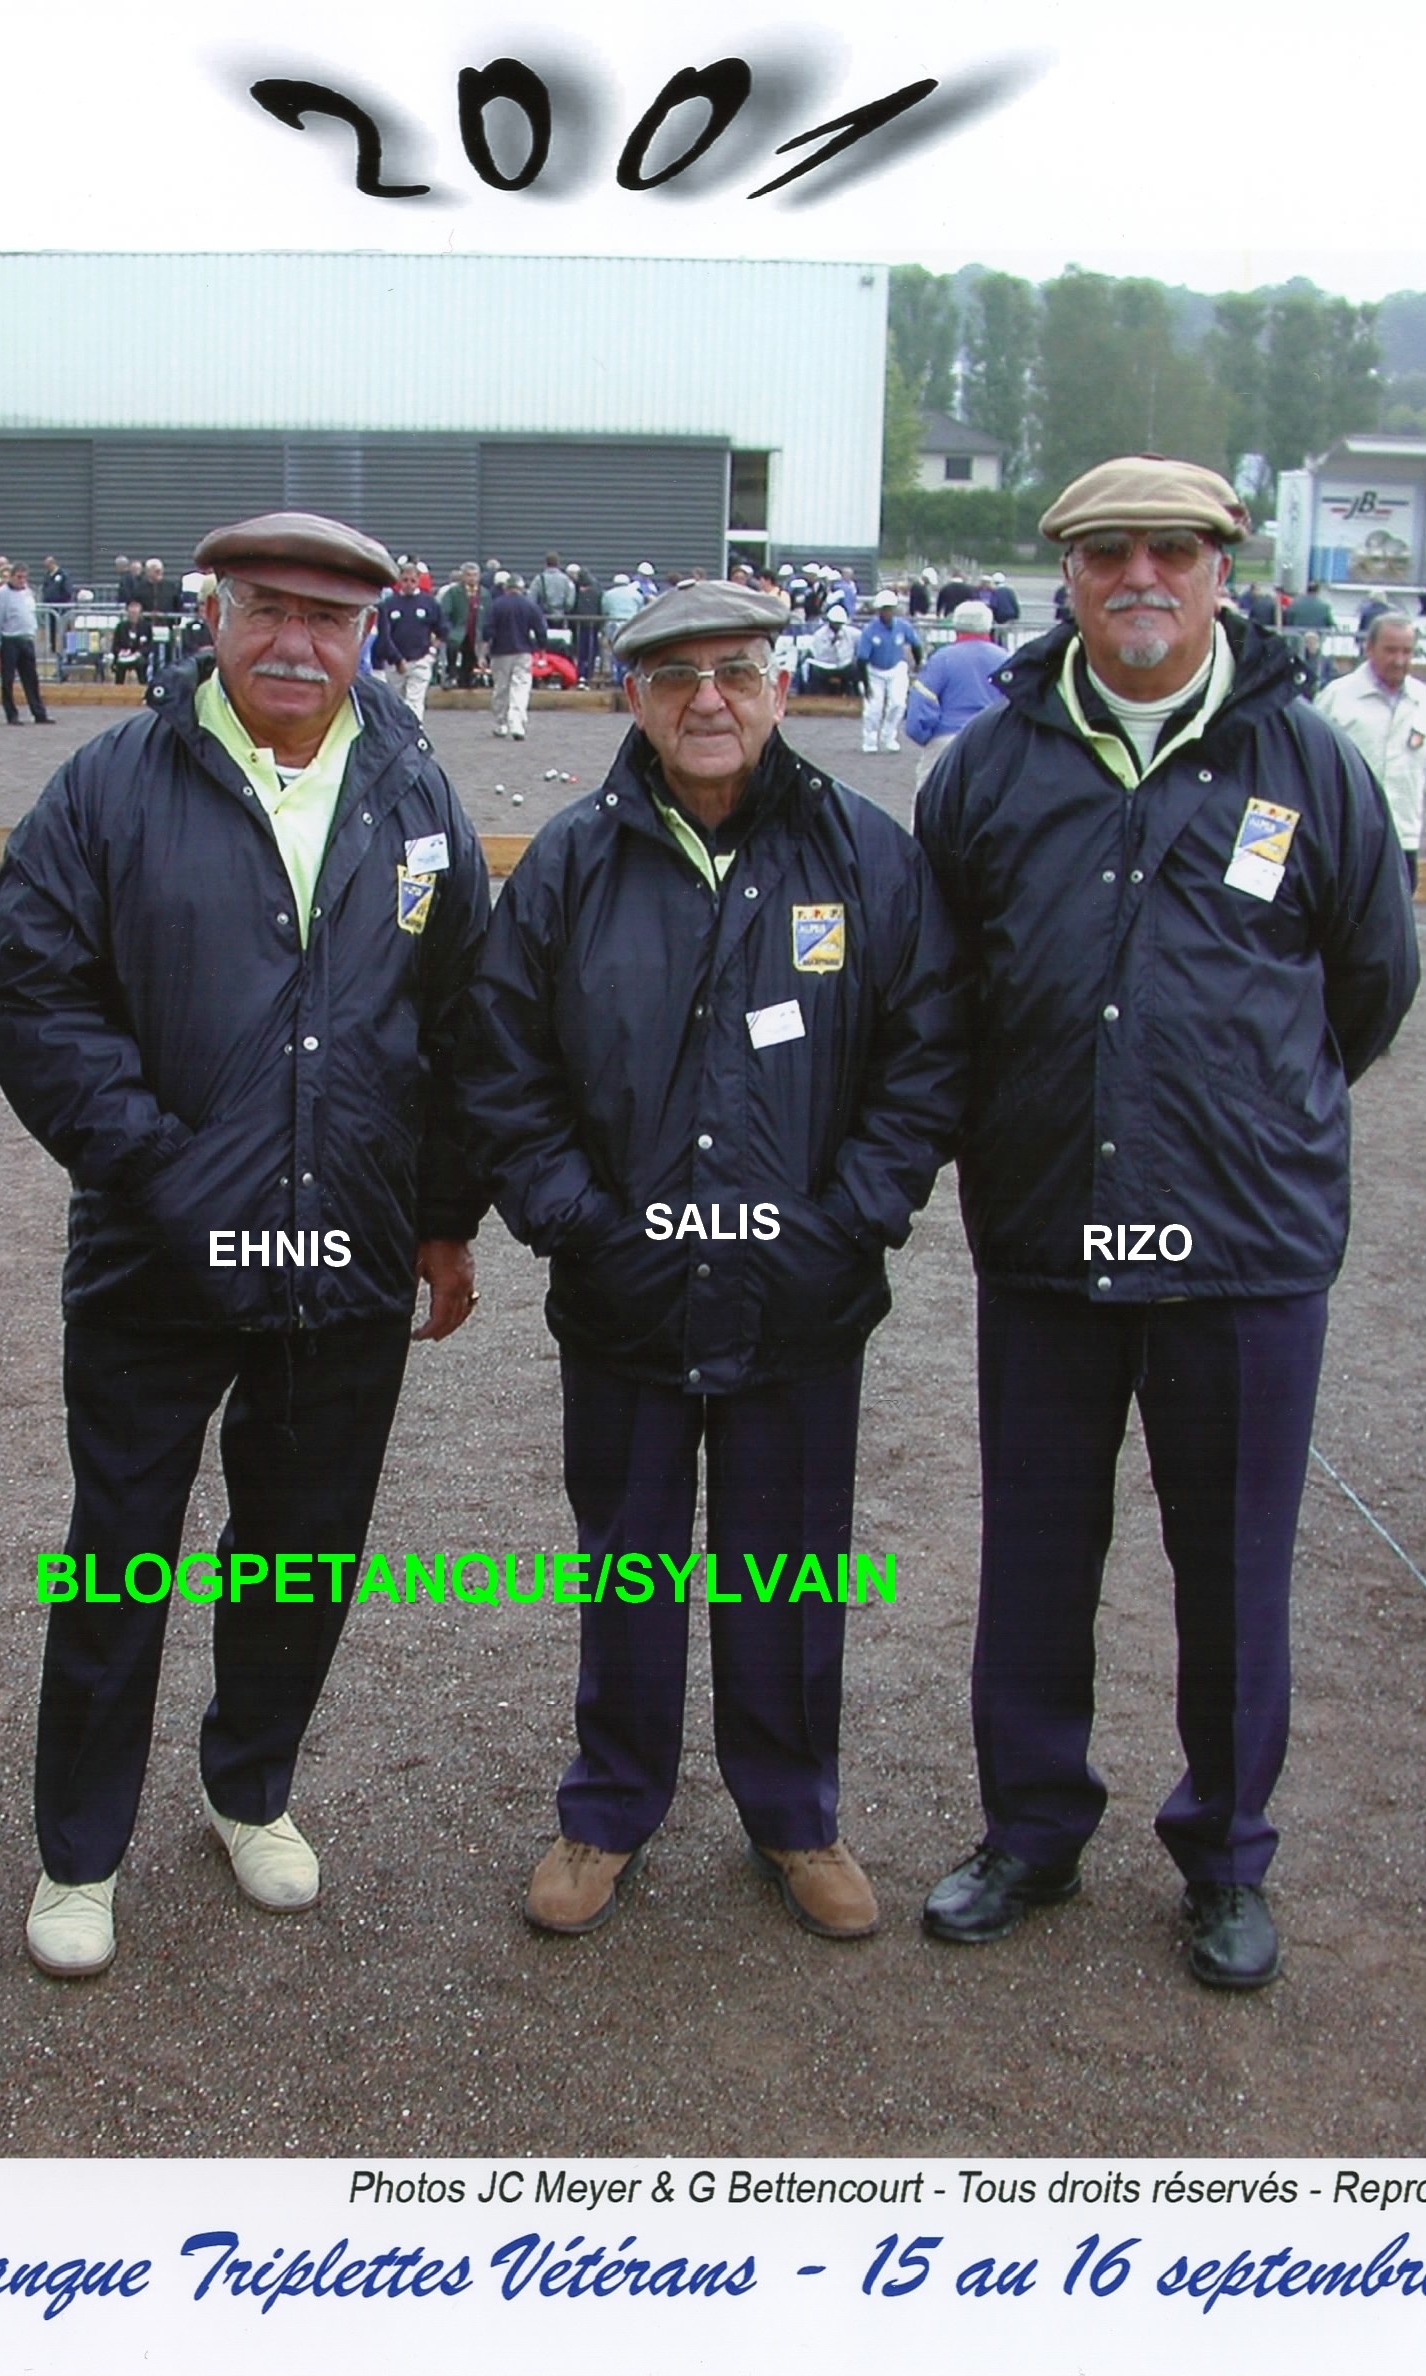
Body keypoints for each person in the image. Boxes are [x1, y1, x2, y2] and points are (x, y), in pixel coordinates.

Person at [911, 455, 1417, 1992]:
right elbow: (942, 997)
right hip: (1054, 1240)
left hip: (1243, 1249)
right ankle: (1034, 1829)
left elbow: (1368, 986)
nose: (1141, 576)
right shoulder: (991, 769)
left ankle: (1225, 1854)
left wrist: (1241, 1112)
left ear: (1222, 571)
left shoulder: (1311, 764)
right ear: (1066, 574)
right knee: (1037, 1555)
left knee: (1236, 1569)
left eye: (1173, 553)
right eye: (1108, 553)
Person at [0, 510, 488, 1982]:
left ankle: (247, 1786)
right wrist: (165, 1169)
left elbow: (465, 1017)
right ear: (212, 615)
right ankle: (78, 1851)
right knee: (118, 1558)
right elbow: (40, 999)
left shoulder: (412, 787)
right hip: (158, 1259)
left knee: (300, 1551)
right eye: (265, 609)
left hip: (347, 1260)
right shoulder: (109, 787)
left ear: (367, 634)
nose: (293, 643)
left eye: (327, 620)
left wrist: (445, 1213)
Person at [457, 579, 958, 1942]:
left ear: (783, 688)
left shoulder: (865, 855)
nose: (707, 700)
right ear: (632, 697)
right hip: (625, 1293)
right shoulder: (568, 861)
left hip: (800, 1296)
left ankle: (793, 1813)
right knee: (627, 1560)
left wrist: (842, 1222)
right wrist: (579, 1223)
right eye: (674, 678)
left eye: (735, 671)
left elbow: (922, 1062)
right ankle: (607, 1805)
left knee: (785, 1563)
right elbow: (505, 1068)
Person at [1311, 610, 1426, 882]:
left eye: (1407, 651)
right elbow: (1309, 770)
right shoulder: (1336, 698)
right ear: (1368, 649)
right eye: (1390, 650)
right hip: (1346, 839)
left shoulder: (1425, 701)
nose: (1399, 660)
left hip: (1403, 839)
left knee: (1398, 923)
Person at [903, 599, 1004, 746]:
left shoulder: (941, 658)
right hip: (993, 740)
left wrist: (925, 737)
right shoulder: (1005, 659)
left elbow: (922, 699)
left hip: (949, 738)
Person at [481, 566, 546, 739]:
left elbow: (487, 631)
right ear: (521, 587)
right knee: (521, 686)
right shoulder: (529, 605)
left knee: (501, 687)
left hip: (500, 651)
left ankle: (500, 723)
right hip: (523, 650)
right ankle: (516, 722)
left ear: (505, 587)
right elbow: (540, 629)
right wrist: (541, 649)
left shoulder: (496, 605)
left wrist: (483, 653)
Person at [372, 559, 440, 722]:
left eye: (412, 581)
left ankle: (414, 733)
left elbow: (441, 628)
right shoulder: (388, 604)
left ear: (418, 581)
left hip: (421, 659)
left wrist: (431, 651)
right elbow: (384, 635)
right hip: (395, 661)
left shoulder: (428, 602)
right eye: (405, 580)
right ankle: (398, 733)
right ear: (399, 580)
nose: (409, 584)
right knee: (395, 702)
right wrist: (396, 659)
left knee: (415, 700)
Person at [854, 586, 919, 753]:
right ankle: (870, 739)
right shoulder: (869, 630)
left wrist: (918, 664)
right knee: (873, 709)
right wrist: (866, 685)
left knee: (898, 704)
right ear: (878, 610)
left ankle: (889, 736)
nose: (887, 613)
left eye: (890, 609)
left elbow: (916, 645)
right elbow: (861, 660)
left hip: (896, 668)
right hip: (874, 671)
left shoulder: (903, 626)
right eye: (884, 609)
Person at [0, 562, 53, 724]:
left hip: (26, 639)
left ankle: (39, 712)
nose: (22, 580)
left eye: (24, 577)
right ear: (11, 577)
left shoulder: (28, 592)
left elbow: (30, 614)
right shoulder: (2, 594)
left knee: (31, 678)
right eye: (19, 577)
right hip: (10, 639)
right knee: (8, 680)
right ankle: (11, 714)